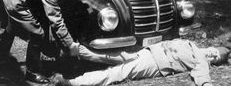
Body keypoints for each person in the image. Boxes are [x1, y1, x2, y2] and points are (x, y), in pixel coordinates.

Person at [0, 0, 94, 84]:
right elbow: (56, 21)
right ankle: (32, 72)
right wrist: (70, 44)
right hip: (16, 0)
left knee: (12, 28)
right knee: (38, 34)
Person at [49, 39, 230, 86]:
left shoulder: (201, 61)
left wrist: (207, 83)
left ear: (215, 62)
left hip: (155, 63)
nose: (213, 54)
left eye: (216, 58)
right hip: (145, 52)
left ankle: (71, 83)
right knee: (101, 56)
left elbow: (201, 75)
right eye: (215, 51)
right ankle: (69, 50)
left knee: (114, 73)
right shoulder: (191, 44)